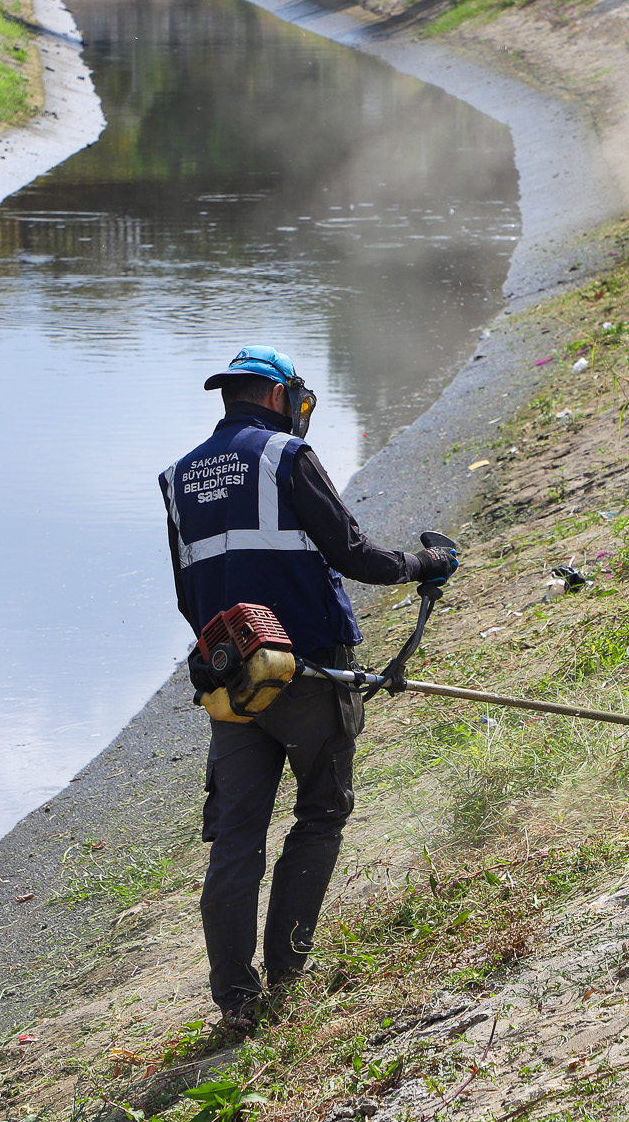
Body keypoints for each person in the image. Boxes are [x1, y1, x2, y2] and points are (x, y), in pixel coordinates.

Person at [159, 346, 458, 1035]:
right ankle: (288, 976)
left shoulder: (178, 477)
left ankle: (237, 1000)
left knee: (236, 837)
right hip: (309, 671)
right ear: (278, 396)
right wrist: (427, 562)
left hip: (232, 682)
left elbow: (186, 595)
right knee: (321, 813)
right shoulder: (285, 456)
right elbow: (356, 555)